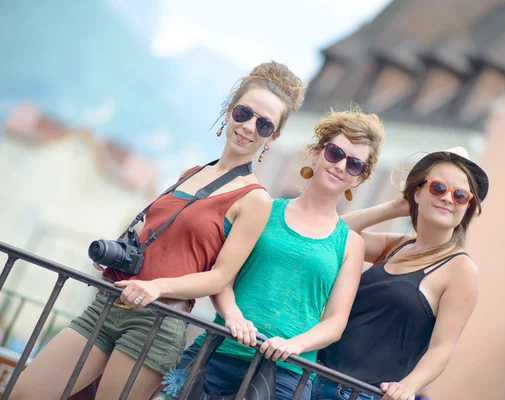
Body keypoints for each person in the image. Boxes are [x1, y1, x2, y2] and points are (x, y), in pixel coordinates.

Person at [11, 61, 306, 400]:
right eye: (244, 113)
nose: (249, 126)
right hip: (110, 302)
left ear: (274, 136)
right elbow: (158, 238)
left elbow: (220, 277)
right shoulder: (191, 172)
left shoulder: (255, 199)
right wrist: (120, 257)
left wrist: (156, 287)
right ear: (228, 112)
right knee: (25, 393)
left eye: (264, 123)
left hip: (158, 322)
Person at [155, 107, 387, 400]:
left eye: (354, 165)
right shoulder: (263, 208)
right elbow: (221, 276)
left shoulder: (351, 243)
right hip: (220, 351)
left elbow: (335, 323)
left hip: (286, 375)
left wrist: (295, 345)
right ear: (316, 154)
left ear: (359, 178)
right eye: (335, 153)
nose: (341, 166)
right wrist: (233, 316)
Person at [313, 147, 489, 400]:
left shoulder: (460, 270)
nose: (448, 199)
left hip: (365, 395)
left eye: (460, 195)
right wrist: (393, 207)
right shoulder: (395, 245)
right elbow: (332, 233)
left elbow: (442, 348)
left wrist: (408, 386)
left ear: (467, 207)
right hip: (312, 377)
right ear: (417, 192)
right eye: (438, 188)